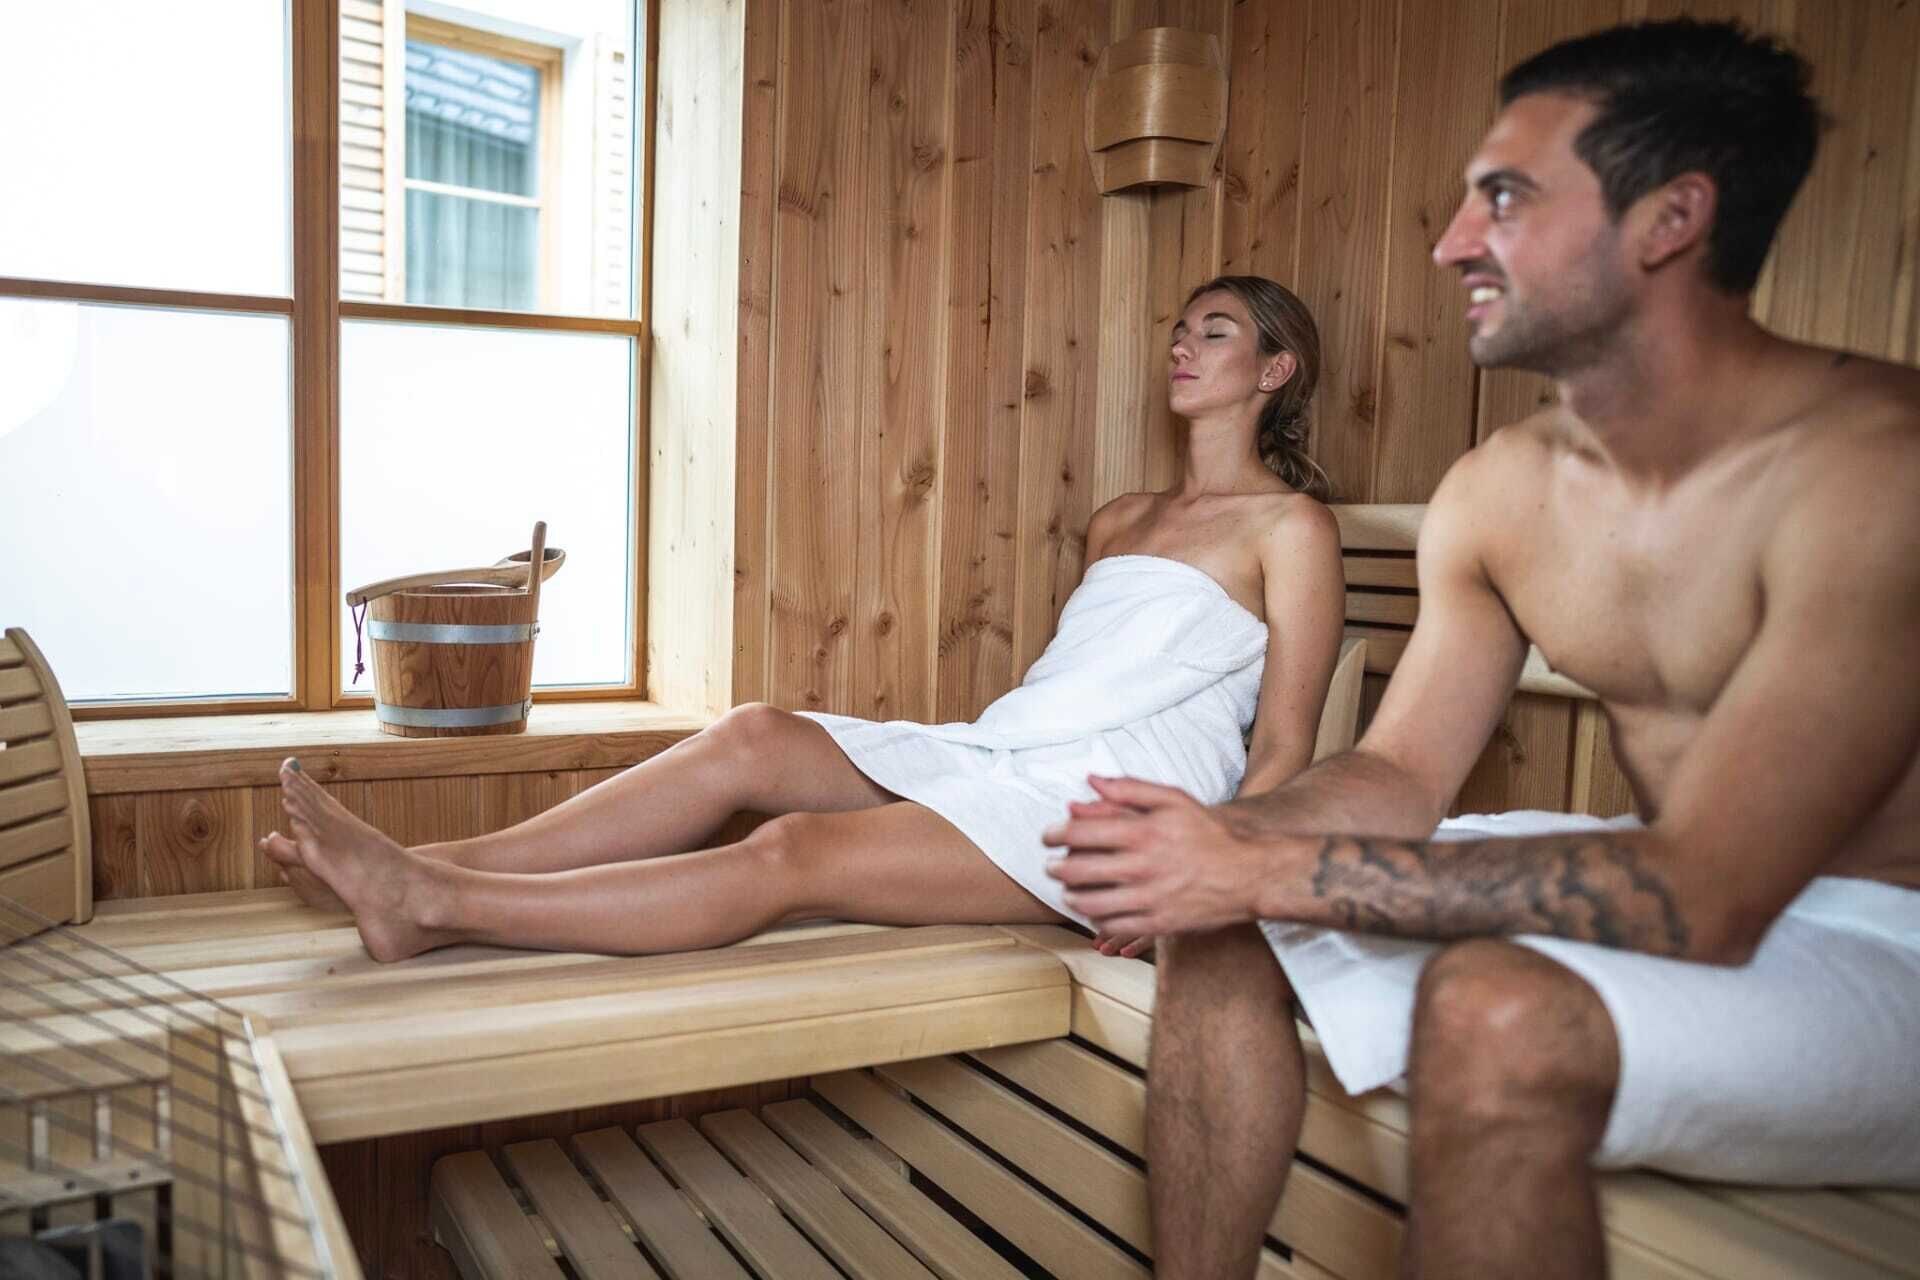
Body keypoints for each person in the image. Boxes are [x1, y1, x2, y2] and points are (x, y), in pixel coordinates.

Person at [1042, 19, 1920, 1280]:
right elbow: (1401, 773)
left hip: (1884, 936)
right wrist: (1215, 845)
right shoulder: (1504, 487)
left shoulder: (1871, 468)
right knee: (1223, 920)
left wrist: (1258, 862)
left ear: (1671, 218)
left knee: (1493, 1009)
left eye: (1504, 198)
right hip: (1682, 877)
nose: (1454, 241)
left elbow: (1710, 889)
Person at [259, 276, 1348, 967]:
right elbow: (1077, 684)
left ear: (1275, 369)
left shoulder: (1291, 529)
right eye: (1179, 329)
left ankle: (440, 902)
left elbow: (1284, 746)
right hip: (1017, 748)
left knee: (795, 850)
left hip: (1128, 805)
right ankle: (427, 862)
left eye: (1214, 333)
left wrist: (1203, 887)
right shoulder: (1120, 519)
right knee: (754, 734)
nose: (1182, 345)